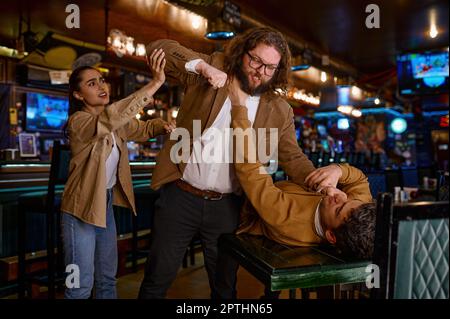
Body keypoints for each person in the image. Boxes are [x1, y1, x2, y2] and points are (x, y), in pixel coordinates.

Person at [139, 27, 316, 299]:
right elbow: (156, 47)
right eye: (256, 60)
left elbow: (293, 157)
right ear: (241, 52)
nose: (261, 71)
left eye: (270, 67)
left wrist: (319, 180)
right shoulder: (211, 69)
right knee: (156, 279)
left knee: (224, 288)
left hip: (229, 207)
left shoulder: (280, 110)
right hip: (180, 196)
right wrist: (202, 68)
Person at [60, 49, 175, 299]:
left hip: (105, 203)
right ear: (78, 95)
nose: (101, 85)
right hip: (80, 208)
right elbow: (112, 119)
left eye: (102, 80)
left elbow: (142, 128)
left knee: (107, 280)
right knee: (79, 286)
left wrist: (162, 125)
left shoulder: (114, 122)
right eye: (92, 83)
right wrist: (155, 83)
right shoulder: (79, 122)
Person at [228, 77, 376, 260]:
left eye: (338, 208)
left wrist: (238, 107)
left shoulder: (286, 219)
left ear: (330, 235)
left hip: (242, 204)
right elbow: (360, 180)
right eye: (348, 199)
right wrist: (338, 170)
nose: (338, 196)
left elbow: (250, 170)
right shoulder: (358, 208)